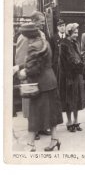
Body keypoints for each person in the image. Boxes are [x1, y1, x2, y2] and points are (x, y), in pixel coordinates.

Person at [13, 23, 63, 152]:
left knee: (34, 115)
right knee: (52, 113)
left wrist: (24, 73)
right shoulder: (43, 42)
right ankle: (55, 140)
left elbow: (34, 68)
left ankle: (30, 145)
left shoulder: (33, 46)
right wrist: (19, 66)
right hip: (50, 81)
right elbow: (38, 61)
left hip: (40, 85)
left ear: (27, 36)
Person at [15, 11, 51, 140]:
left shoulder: (40, 34)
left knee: (39, 103)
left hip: (39, 74)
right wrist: (24, 72)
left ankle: (40, 128)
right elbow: (20, 58)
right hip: (30, 74)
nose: (42, 24)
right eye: (41, 21)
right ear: (34, 21)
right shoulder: (24, 36)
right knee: (31, 104)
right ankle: (34, 130)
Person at [59, 23, 85, 132]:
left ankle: (76, 121)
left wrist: (82, 62)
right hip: (68, 76)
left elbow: (79, 57)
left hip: (76, 75)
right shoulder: (64, 44)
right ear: (69, 32)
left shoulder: (76, 42)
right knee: (69, 100)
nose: (76, 34)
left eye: (77, 32)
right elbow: (65, 62)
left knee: (77, 99)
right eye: (74, 32)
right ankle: (69, 122)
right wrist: (79, 64)